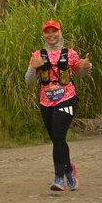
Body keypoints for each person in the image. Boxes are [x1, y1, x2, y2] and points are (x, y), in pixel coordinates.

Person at [26, 20, 92, 191]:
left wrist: (87, 66)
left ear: (60, 33)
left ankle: (58, 179)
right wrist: (32, 68)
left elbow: (81, 73)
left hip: (67, 99)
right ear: (44, 35)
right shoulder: (38, 55)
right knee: (57, 139)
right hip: (46, 101)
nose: (51, 35)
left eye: (54, 31)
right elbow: (29, 81)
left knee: (58, 135)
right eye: (47, 32)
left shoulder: (70, 53)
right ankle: (69, 169)